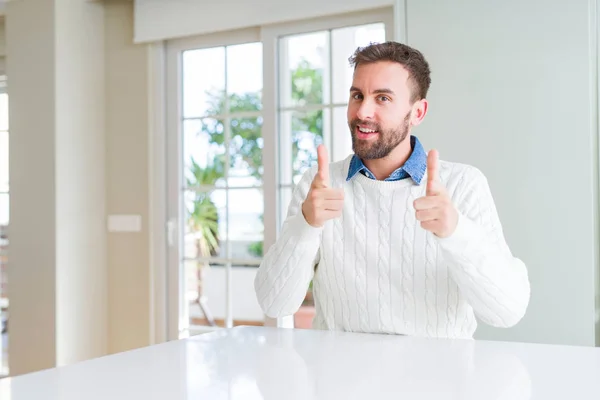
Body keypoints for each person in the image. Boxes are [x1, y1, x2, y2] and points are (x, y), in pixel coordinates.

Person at [254, 41, 530, 339]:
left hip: (440, 381)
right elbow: (274, 303)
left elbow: (507, 311)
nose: (363, 112)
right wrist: (305, 227)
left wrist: (455, 231)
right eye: (357, 96)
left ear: (418, 112)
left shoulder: (463, 185)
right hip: (338, 380)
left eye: (382, 98)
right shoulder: (319, 186)